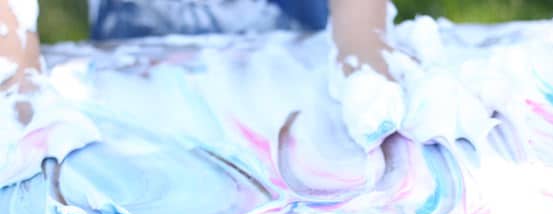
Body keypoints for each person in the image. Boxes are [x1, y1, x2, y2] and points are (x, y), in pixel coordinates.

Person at [0, 0, 391, 103]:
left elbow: (361, 40)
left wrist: (364, 54)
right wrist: (17, 76)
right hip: (132, 67)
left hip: (294, 73)